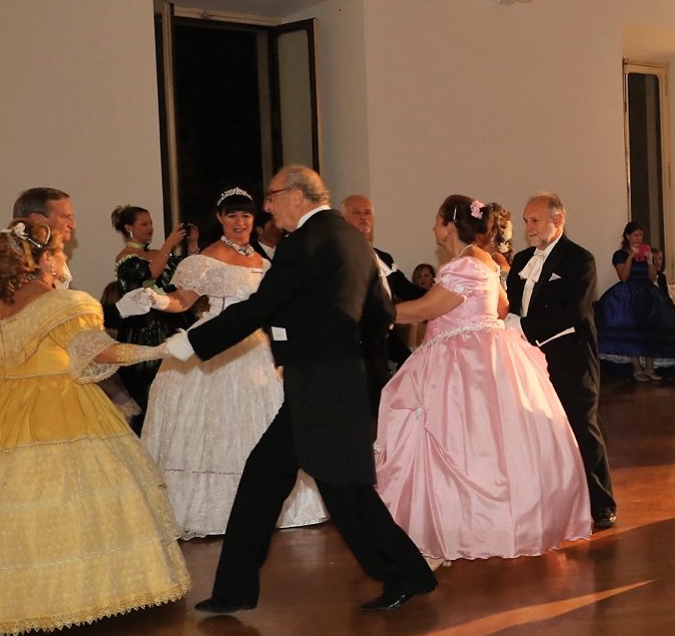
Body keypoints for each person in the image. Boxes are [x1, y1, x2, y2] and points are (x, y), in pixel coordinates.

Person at [161, 165, 437, 613]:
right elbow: (381, 312)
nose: (268, 207)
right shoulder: (352, 238)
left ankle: (407, 573)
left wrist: (194, 342)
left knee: (343, 490)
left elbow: (262, 305)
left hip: (318, 381)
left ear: (296, 194)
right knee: (266, 477)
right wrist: (349, 352)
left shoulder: (303, 242)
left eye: (272, 197)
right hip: (333, 378)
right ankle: (234, 590)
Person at [0, 220, 190, 634]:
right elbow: (100, 351)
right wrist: (161, 349)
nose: (65, 259)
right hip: (60, 407)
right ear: (46, 260)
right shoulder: (63, 304)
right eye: (62, 252)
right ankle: (80, 596)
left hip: (3, 407)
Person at [378, 195, 592, 561]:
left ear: (449, 226)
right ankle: (482, 525)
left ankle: (450, 531)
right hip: (486, 357)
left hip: (461, 365)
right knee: (491, 446)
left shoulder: (463, 266)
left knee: (457, 444)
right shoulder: (485, 261)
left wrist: (376, 312)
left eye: (436, 220)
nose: (432, 227)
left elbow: (426, 308)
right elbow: (503, 307)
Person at [127, 187, 327, 537]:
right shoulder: (206, 258)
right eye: (232, 215)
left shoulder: (264, 261)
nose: (240, 221)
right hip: (214, 341)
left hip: (257, 348)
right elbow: (183, 301)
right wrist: (157, 300)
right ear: (220, 218)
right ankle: (213, 509)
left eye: (246, 215)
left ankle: (265, 503)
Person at [509, 192, 617, 531]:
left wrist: (524, 327)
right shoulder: (522, 260)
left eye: (535, 220)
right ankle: (554, 502)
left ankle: (602, 504)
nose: (528, 227)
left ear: (558, 221)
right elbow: (512, 303)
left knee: (582, 425)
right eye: (526, 221)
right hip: (528, 359)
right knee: (539, 428)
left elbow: (574, 310)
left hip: (571, 357)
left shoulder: (580, 259)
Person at [107, 204, 192, 419]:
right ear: (129, 228)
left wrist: (192, 244)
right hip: (143, 328)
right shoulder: (126, 257)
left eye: (151, 223)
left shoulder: (157, 253)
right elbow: (150, 274)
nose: (150, 228)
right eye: (144, 224)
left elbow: (182, 274)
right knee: (148, 389)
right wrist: (169, 244)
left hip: (170, 320)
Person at [596, 222, 675, 381]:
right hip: (628, 295)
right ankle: (637, 369)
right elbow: (623, 277)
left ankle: (650, 367)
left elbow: (652, 277)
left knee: (652, 329)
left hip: (648, 293)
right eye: (635, 235)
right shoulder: (620, 255)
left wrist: (650, 261)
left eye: (640, 235)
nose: (638, 238)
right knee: (633, 330)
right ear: (627, 236)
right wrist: (630, 257)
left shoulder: (646, 252)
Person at [341, 194, 426, 374]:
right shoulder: (340, 257)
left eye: (367, 213)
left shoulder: (383, 258)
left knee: (412, 365)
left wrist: (442, 292)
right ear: (343, 220)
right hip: (355, 342)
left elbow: (407, 290)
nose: (363, 217)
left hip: (384, 338)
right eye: (356, 213)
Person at [13, 186, 76, 288]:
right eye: (65, 217)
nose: (72, 225)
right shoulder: (11, 270)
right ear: (37, 220)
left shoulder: (58, 263)